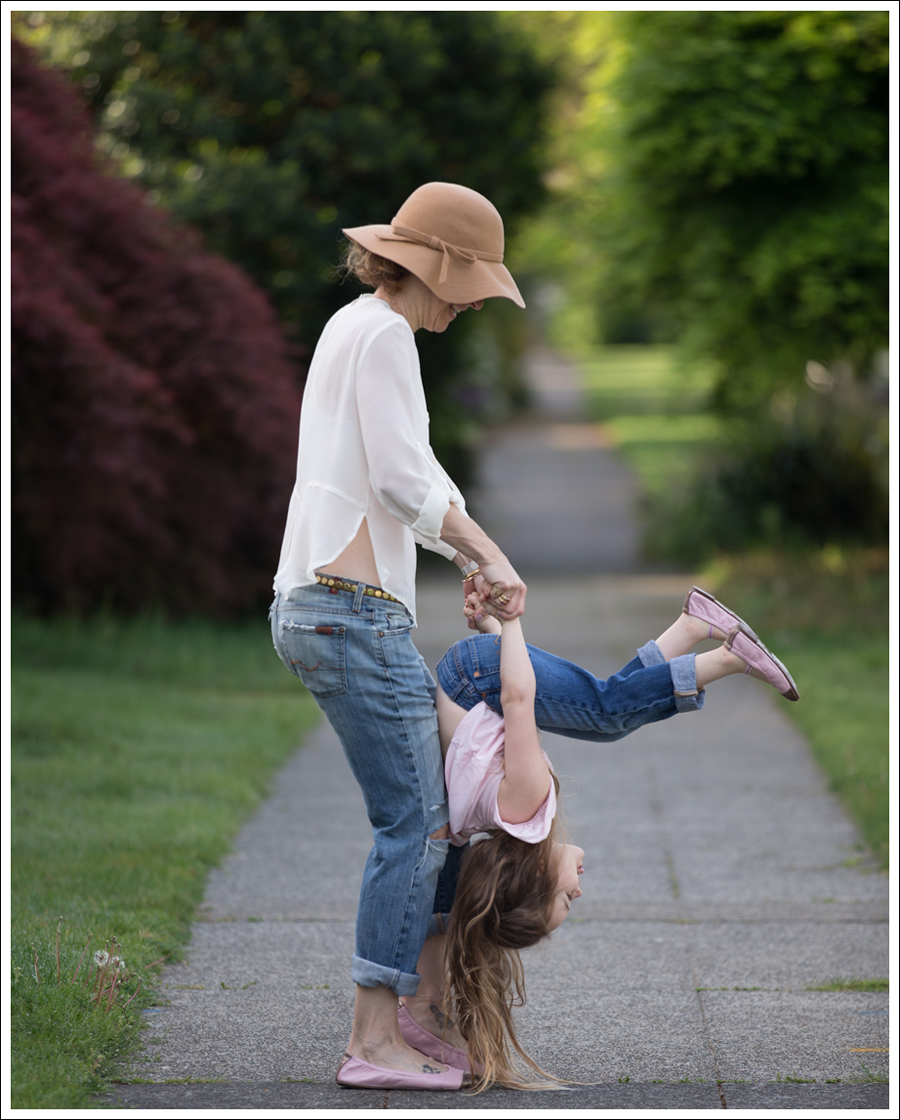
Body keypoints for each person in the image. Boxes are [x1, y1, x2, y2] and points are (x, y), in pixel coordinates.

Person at [269, 182, 529, 1091]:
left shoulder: (357, 326)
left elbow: (411, 469)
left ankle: (412, 1020)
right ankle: (374, 1040)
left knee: (426, 816)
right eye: (472, 283)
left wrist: (464, 554)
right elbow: (399, 479)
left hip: (326, 602)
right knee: (416, 827)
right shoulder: (382, 335)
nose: (473, 304)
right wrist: (489, 552)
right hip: (350, 607)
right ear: (436, 265)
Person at [396, 585, 799, 1091]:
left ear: (535, 875)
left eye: (566, 898)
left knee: (606, 713)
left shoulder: (524, 798)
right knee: (608, 701)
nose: (580, 890)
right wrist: (494, 630)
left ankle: (730, 657)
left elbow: (517, 698)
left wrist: (508, 623)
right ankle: (692, 625)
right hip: (476, 677)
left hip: (475, 677)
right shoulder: (499, 826)